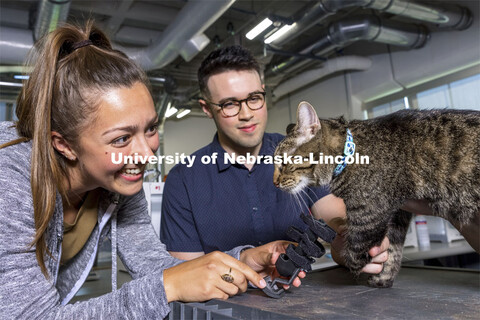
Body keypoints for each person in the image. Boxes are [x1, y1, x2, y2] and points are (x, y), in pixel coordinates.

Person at [0, 23, 305, 319]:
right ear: (64, 145)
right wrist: (167, 287)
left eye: (150, 129)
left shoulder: (115, 183)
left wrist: (240, 261)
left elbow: (151, 264)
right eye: (121, 139)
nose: (146, 154)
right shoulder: (11, 180)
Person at [160, 45, 390, 274]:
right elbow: (184, 274)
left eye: (254, 98)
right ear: (207, 108)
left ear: (263, 92)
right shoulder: (183, 180)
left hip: (304, 303)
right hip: (223, 308)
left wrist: (353, 241)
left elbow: (335, 219)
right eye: (229, 104)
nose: (247, 113)